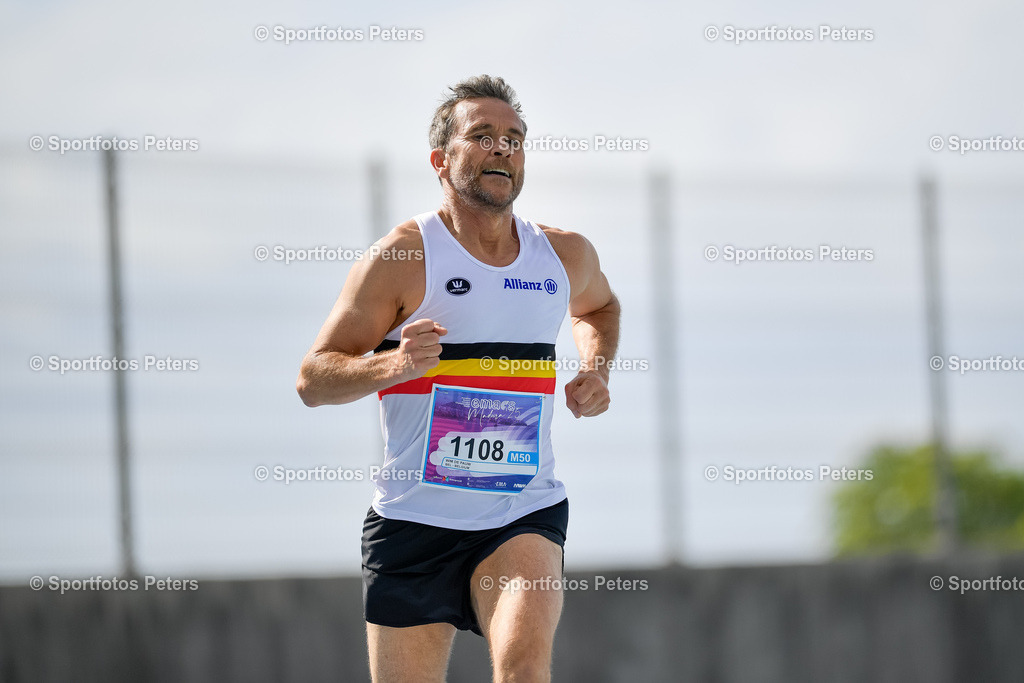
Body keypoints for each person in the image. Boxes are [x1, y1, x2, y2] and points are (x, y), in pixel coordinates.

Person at [297, 74, 620, 683]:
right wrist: (391, 363)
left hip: (521, 510)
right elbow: (314, 378)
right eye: (483, 135)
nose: (503, 148)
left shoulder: (562, 255)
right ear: (441, 161)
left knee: (523, 669)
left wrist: (595, 368)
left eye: (515, 139)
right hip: (413, 522)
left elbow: (600, 308)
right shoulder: (402, 257)